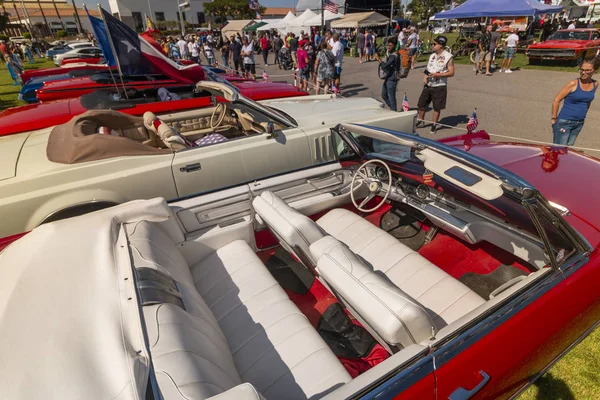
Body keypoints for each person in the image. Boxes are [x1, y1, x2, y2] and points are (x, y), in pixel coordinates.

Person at [551, 57, 600, 146]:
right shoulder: (573, 84)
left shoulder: (595, 84)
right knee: (559, 150)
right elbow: (556, 100)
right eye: (582, 69)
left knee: (569, 149)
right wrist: (554, 119)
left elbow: (587, 102)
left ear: (595, 70)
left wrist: (583, 115)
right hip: (564, 122)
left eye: (587, 70)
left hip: (579, 122)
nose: (583, 72)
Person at [416, 36, 454, 134]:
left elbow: (451, 72)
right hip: (428, 84)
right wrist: (425, 76)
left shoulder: (448, 57)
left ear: (440, 45)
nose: (432, 45)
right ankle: (421, 121)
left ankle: (434, 125)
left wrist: (439, 75)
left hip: (439, 86)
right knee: (421, 104)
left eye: (434, 44)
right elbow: (428, 69)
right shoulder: (432, 56)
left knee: (437, 107)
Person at [375, 37, 400, 111]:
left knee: (392, 98)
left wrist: (379, 59)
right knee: (384, 95)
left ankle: (393, 111)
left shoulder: (394, 56)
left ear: (395, 46)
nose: (389, 47)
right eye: (388, 45)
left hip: (392, 80)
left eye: (391, 45)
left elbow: (385, 65)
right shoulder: (390, 54)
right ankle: (392, 108)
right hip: (387, 78)